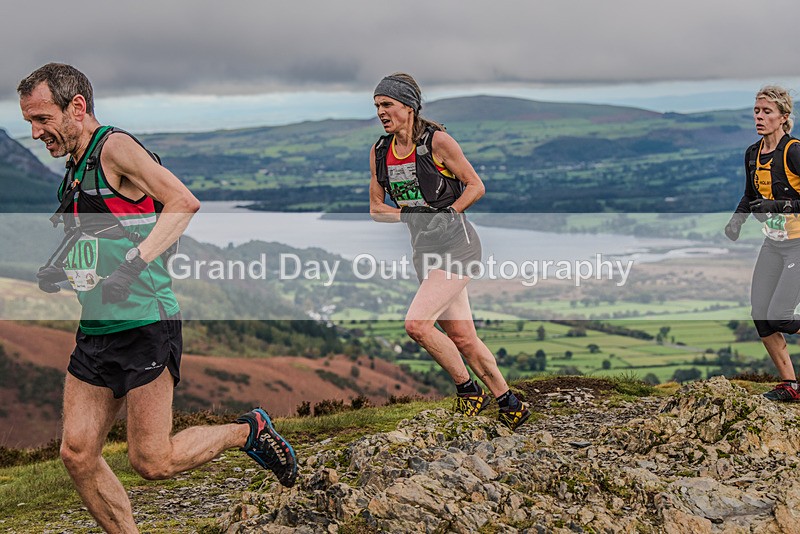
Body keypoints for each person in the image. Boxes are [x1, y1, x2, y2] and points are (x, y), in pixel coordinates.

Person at [19, 63, 297, 532]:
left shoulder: (114, 148)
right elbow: (103, 232)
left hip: (146, 322)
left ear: (77, 107)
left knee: (153, 460)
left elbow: (182, 202)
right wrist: (62, 268)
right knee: (76, 453)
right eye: (29, 121)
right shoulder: (74, 167)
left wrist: (133, 265)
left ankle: (249, 430)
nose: (34, 132)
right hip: (96, 330)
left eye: (42, 119)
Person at [369, 72, 530, 430]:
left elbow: (476, 186)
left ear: (408, 107)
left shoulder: (437, 142)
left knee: (417, 324)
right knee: (463, 337)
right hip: (423, 254)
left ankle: (468, 391)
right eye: (377, 106)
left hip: (458, 247)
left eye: (387, 104)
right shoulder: (381, 152)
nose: (381, 112)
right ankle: (510, 402)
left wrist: (449, 213)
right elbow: (377, 210)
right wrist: (411, 215)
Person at [725, 85, 800, 402]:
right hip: (773, 243)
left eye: (767, 111)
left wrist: (781, 208)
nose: (759, 117)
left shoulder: (794, 151)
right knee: (761, 315)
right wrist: (737, 219)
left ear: (784, 117)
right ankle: (791, 385)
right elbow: (750, 194)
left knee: (781, 315)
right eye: (756, 111)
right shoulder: (753, 154)